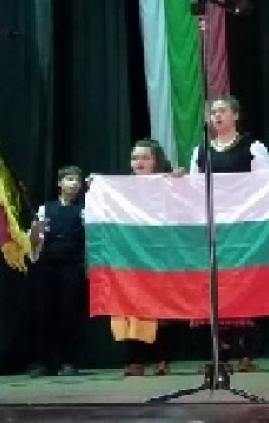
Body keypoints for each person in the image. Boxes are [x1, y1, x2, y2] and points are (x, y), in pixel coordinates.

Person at [188, 94, 269, 373]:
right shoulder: (201, 151)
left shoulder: (253, 148)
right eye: (213, 113)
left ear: (235, 115)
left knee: (243, 282)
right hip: (213, 225)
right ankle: (217, 353)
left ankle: (247, 351)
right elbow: (194, 188)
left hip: (243, 225)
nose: (217, 116)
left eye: (222, 111)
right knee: (215, 285)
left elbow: (265, 186)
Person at [108, 138, 182, 376]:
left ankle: (163, 359)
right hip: (132, 255)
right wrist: (98, 186)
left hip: (161, 253)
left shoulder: (169, 183)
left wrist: (181, 182)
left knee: (162, 307)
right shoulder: (122, 188)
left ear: (156, 161)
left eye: (145, 158)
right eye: (135, 158)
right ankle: (136, 360)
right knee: (132, 306)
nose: (139, 162)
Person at [28, 166, 86, 377]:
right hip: (47, 266)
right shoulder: (46, 209)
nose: (74, 183)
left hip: (72, 266)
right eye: (69, 179)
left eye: (77, 180)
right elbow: (34, 241)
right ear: (59, 183)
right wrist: (35, 232)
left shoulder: (85, 211)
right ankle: (45, 361)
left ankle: (69, 361)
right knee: (45, 312)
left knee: (69, 312)